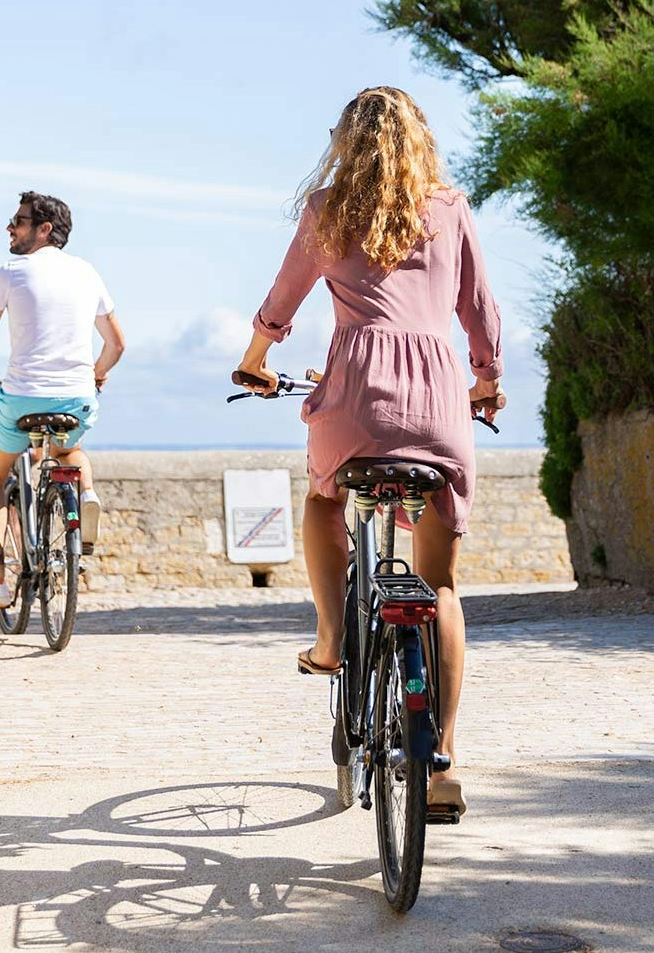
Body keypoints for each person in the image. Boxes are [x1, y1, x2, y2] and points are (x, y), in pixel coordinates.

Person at [235, 86, 503, 822]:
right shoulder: (449, 208)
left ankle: (330, 636)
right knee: (439, 585)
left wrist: (255, 359)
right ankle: (443, 762)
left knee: (324, 500)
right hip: (440, 404)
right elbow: (479, 310)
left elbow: (281, 303)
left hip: (355, 399)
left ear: (345, 143)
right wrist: (486, 381)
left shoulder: (327, 209)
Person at [0, 192, 126, 609]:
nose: (9, 227)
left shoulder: (10, 272)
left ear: (45, 229)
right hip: (76, 397)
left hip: (23, 396)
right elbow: (116, 344)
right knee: (69, 451)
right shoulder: (87, 273)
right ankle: (86, 494)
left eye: (19, 221)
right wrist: (95, 374)